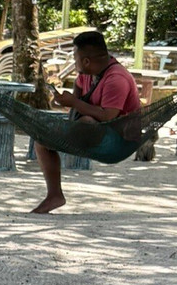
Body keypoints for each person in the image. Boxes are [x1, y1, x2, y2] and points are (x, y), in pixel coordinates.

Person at [32, 30, 140, 214]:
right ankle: (55, 195)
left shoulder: (116, 79)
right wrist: (65, 100)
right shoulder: (87, 72)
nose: (74, 64)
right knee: (41, 140)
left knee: (88, 121)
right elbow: (78, 95)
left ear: (86, 61)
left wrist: (73, 102)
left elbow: (108, 117)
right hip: (90, 129)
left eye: (75, 59)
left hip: (118, 140)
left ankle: (61, 138)